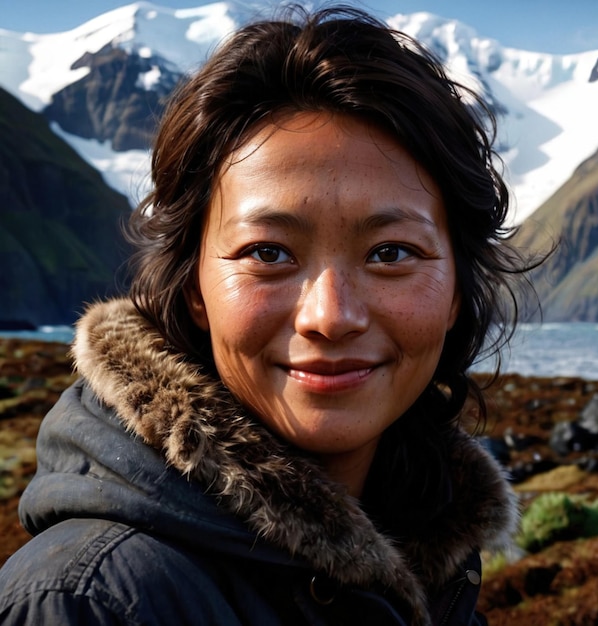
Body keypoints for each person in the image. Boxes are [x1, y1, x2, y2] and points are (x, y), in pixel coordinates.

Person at [0, 6, 529, 625]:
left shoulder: (435, 567)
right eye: (267, 253)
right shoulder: (90, 604)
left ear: (458, 293)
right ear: (194, 286)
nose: (330, 316)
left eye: (391, 254)